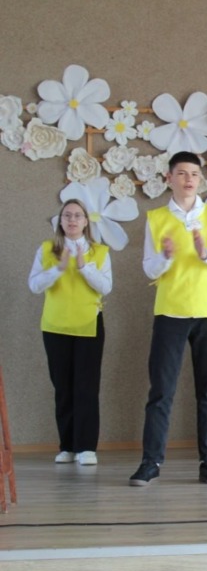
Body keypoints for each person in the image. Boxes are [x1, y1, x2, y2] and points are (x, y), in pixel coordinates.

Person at [129, 151, 207, 487]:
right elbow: (149, 268)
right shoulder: (157, 218)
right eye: (181, 173)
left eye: (194, 174)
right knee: (161, 390)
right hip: (170, 310)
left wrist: (206, 254)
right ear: (169, 178)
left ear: (200, 179)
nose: (188, 179)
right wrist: (165, 256)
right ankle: (150, 462)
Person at [29, 199, 111, 467]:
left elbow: (106, 287)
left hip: (89, 325)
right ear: (60, 221)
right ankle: (67, 446)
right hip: (55, 326)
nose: (72, 220)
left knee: (86, 387)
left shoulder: (99, 251)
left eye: (77, 215)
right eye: (67, 215)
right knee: (63, 388)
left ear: (86, 221)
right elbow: (34, 285)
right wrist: (59, 268)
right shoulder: (46, 249)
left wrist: (83, 266)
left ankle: (86, 447)